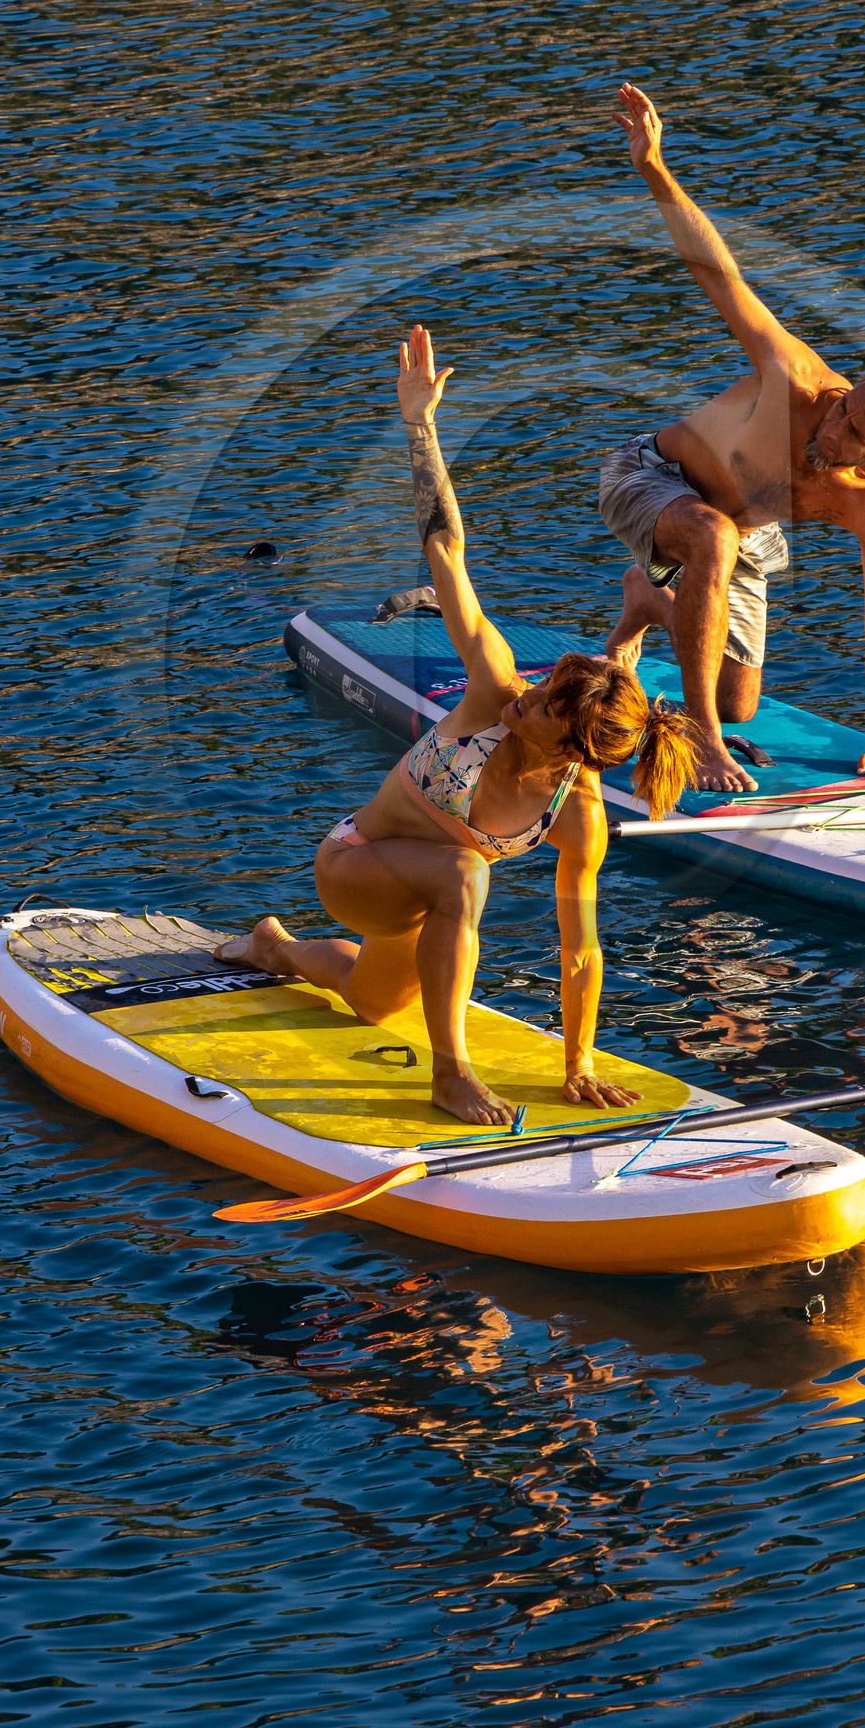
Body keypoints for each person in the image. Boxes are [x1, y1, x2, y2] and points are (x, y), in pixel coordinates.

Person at [216, 325, 696, 1128]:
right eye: (546, 684)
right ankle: (451, 1074)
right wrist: (420, 424)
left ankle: (274, 947)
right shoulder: (489, 694)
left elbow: (581, 950)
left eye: (545, 706)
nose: (527, 696)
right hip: (356, 866)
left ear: (571, 751)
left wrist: (576, 1061)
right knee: (466, 875)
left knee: (373, 1005)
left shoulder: (574, 814)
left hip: (417, 903)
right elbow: (447, 550)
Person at [600, 81, 865, 794]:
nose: (832, 420)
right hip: (650, 476)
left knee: (740, 703)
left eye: (854, 432)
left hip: (743, 524)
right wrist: (654, 167)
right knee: (712, 542)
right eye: (845, 405)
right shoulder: (794, 374)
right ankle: (701, 740)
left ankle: (648, 600)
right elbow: (718, 272)